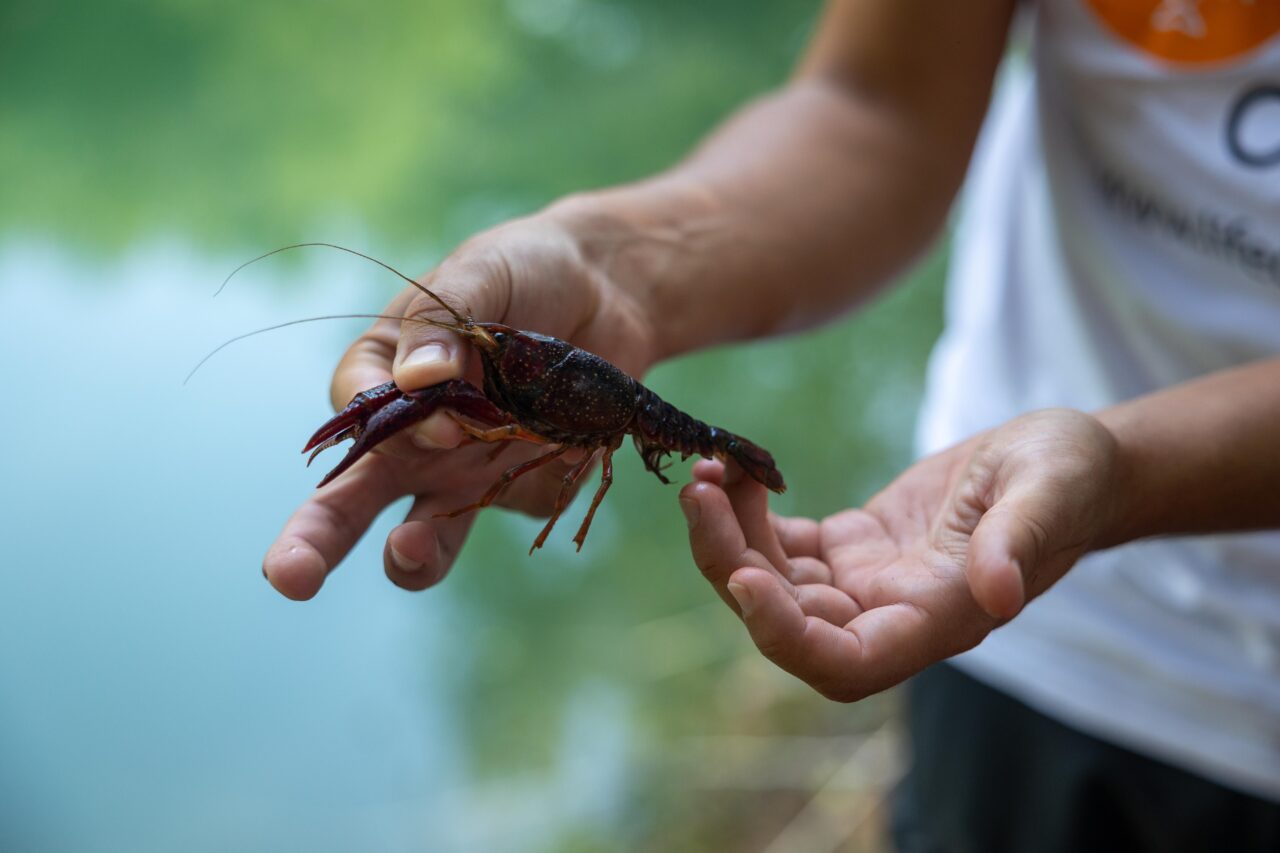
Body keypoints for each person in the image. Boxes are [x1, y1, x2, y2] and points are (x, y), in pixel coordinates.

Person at [262, 1, 1280, 849]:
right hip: (1014, 611)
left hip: (1032, 551)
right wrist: (614, 257)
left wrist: (1127, 468)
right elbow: (876, 106)